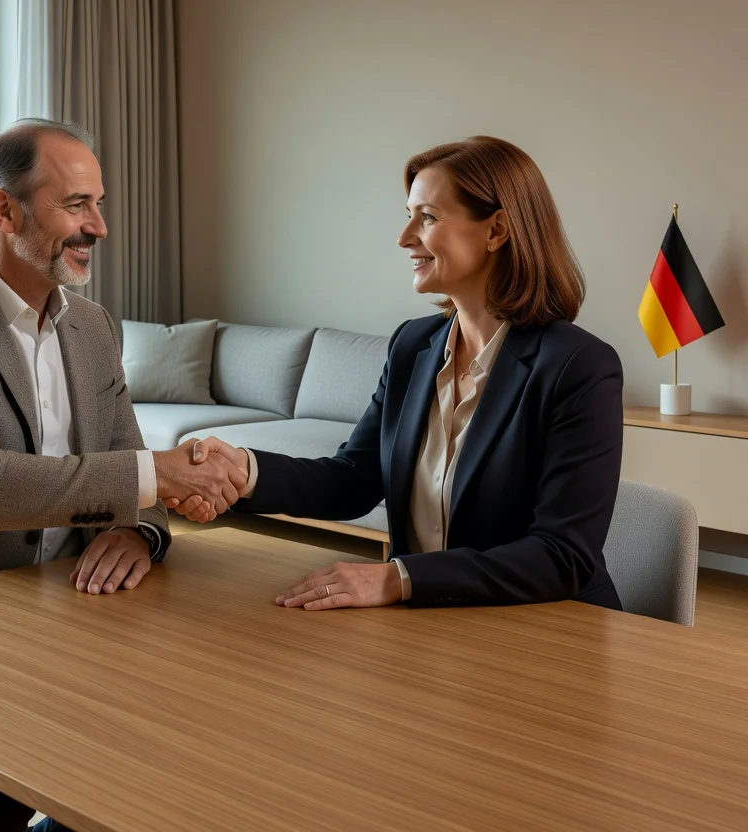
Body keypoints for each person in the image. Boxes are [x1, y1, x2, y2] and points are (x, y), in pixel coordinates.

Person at [0, 118, 243, 832]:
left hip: (63, 616)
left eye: (99, 203)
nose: (100, 225)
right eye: (77, 205)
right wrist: (157, 479)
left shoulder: (92, 327)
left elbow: (122, 465)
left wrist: (137, 531)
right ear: (5, 210)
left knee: (165, 750)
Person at [173, 136, 623, 613]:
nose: (405, 237)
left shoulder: (579, 368)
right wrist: (245, 472)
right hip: (431, 631)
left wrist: (397, 579)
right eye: (409, 215)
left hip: (550, 631)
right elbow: (354, 479)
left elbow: (563, 555)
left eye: (427, 217)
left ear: (496, 231)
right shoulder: (412, 346)